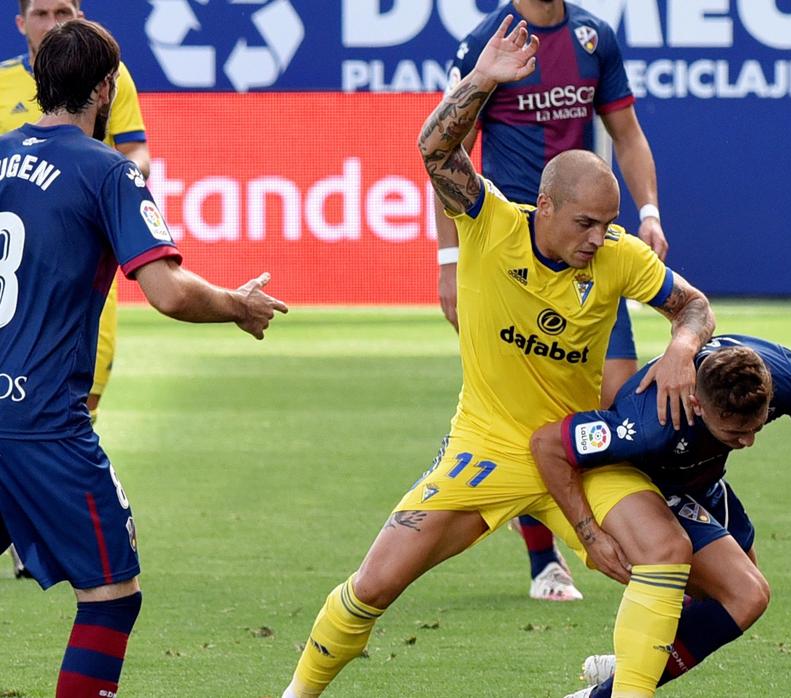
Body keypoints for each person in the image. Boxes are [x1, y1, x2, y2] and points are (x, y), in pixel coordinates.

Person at [283, 17, 714, 698]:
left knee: (667, 554)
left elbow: (693, 305)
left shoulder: (619, 257)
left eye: (608, 224)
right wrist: (483, 80)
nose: (599, 239)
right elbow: (432, 152)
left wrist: (684, 346)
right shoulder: (490, 223)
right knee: (372, 586)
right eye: (585, 224)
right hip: (485, 447)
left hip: (578, 447)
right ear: (543, 207)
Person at [0, 19, 287, 696]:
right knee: (111, 593)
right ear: (107, 87)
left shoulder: (2, 155)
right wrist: (236, 305)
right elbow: (166, 291)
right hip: (43, 422)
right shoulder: (109, 174)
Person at [529, 335, 791, 697]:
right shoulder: (647, 424)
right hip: (646, 481)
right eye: (734, 434)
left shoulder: (787, 377)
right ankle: (609, 691)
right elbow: (548, 444)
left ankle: (634, 665)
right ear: (695, 403)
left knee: (730, 598)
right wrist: (589, 535)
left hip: (702, 480)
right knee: (744, 594)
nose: (748, 442)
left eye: (756, 428)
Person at [436, 0, 669, 601]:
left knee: (613, 398)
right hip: (511, 248)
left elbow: (626, 132)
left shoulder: (593, 37)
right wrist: (448, 261)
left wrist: (648, 212)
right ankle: (547, 560)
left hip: (583, 246)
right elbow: (447, 149)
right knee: (532, 411)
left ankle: (622, 526)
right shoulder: (487, 41)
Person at [2, 0, 153, 578]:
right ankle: (42, 506)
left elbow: (134, 148)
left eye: (64, 9)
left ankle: (33, 510)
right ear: (21, 23)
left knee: (87, 381)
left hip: (74, 256)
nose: (54, 20)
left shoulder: (113, 88)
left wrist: (119, 186)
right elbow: (169, 292)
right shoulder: (8, 82)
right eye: (42, 11)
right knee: (112, 592)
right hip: (28, 265)